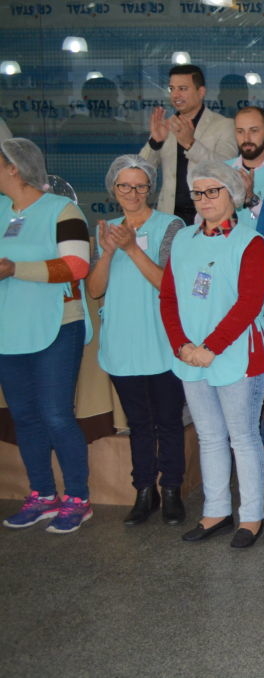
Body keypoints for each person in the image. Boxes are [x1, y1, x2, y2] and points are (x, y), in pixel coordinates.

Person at [160, 161, 264, 548]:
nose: (204, 200)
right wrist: (182, 345)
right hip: (191, 356)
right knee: (209, 437)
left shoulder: (251, 242)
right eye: (198, 193)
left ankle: (252, 518)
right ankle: (216, 511)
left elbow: (249, 304)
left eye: (213, 191)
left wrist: (210, 347)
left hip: (237, 355)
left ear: (232, 194)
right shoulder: (183, 240)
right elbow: (168, 297)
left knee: (243, 437)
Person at [86, 155, 188, 526]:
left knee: (169, 421)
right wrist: (109, 251)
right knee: (139, 423)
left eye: (140, 185)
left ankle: (173, 489)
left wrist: (131, 248)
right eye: (124, 186)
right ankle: (145, 491)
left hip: (161, 342)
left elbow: (168, 284)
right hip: (122, 343)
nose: (132, 193)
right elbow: (95, 290)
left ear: (151, 188)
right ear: (114, 189)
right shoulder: (105, 229)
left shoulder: (171, 225)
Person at [0, 138, 93, 534]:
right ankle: (41, 494)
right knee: (25, 416)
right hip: (9, 329)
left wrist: (14, 268)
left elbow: (76, 265)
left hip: (57, 325)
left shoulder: (63, 209)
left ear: (14, 169)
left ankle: (77, 498)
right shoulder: (2, 211)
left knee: (56, 415)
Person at [139, 64, 237, 224]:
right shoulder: (165, 126)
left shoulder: (224, 125)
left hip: (209, 217)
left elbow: (227, 169)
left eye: (183, 88)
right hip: (169, 218)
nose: (176, 95)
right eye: (172, 89)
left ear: (201, 92)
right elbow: (140, 172)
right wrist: (155, 142)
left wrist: (191, 144)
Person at [226, 106, 264, 219]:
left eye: (254, 131)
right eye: (240, 131)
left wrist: (251, 198)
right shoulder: (222, 171)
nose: (246, 138)